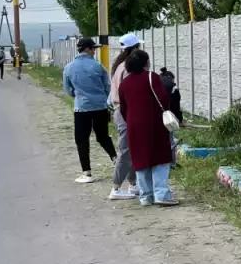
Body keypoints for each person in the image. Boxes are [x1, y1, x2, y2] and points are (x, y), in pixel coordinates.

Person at [118, 49, 179, 206]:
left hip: (133, 126)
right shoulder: (151, 77)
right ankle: (161, 194)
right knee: (160, 158)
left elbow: (123, 108)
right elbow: (164, 99)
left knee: (140, 159)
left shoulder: (124, 83)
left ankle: (145, 196)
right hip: (154, 124)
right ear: (146, 62)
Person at [62, 37, 116, 184]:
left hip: (81, 108)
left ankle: (87, 172)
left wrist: (78, 95)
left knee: (81, 139)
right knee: (103, 136)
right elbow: (107, 86)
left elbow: (68, 89)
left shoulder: (69, 67)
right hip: (100, 106)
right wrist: (102, 97)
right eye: (93, 49)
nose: (94, 51)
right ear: (87, 49)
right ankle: (116, 160)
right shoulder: (98, 66)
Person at [107, 33, 142, 201]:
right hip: (125, 111)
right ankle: (116, 187)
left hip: (119, 109)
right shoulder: (128, 68)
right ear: (135, 48)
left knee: (131, 149)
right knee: (126, 150)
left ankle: (133, 184)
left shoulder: (119, 65)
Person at [159, 67, 184, 165]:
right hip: (168, 118)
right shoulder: (173, 89)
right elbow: (175, 106)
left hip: (154, 117)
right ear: (171, 79)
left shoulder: (154, 85)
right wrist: (179, 119)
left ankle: (161, 162)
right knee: (170, 141)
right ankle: (171, 163)